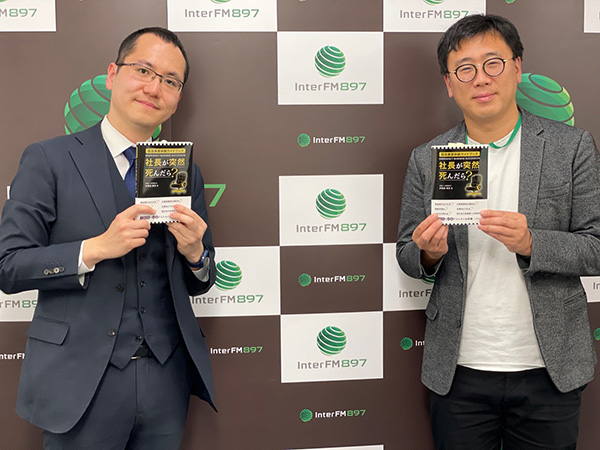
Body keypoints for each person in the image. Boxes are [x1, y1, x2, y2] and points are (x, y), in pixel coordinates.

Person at [0, 27, 216, 449]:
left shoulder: (183, 171)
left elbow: (200, 280)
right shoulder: (49, 159)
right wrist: (95, 249)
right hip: (79, 382)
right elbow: (9, 266)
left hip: (165, 381)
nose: (154, 88)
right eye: (144, 71)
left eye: (170, 81)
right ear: (113, 75)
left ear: (178, 97)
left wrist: (195, 254)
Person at [396, 14, 600, 450]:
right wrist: (428, 253)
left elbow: (595, 247)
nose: (481, 79)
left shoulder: (572, 147)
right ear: (449, 83)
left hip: (549, 369)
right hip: (459, 370)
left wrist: (532, 243)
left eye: (493, 63)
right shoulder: (429, 158)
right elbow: (407, 254)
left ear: (517, 67)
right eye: (464, 69)